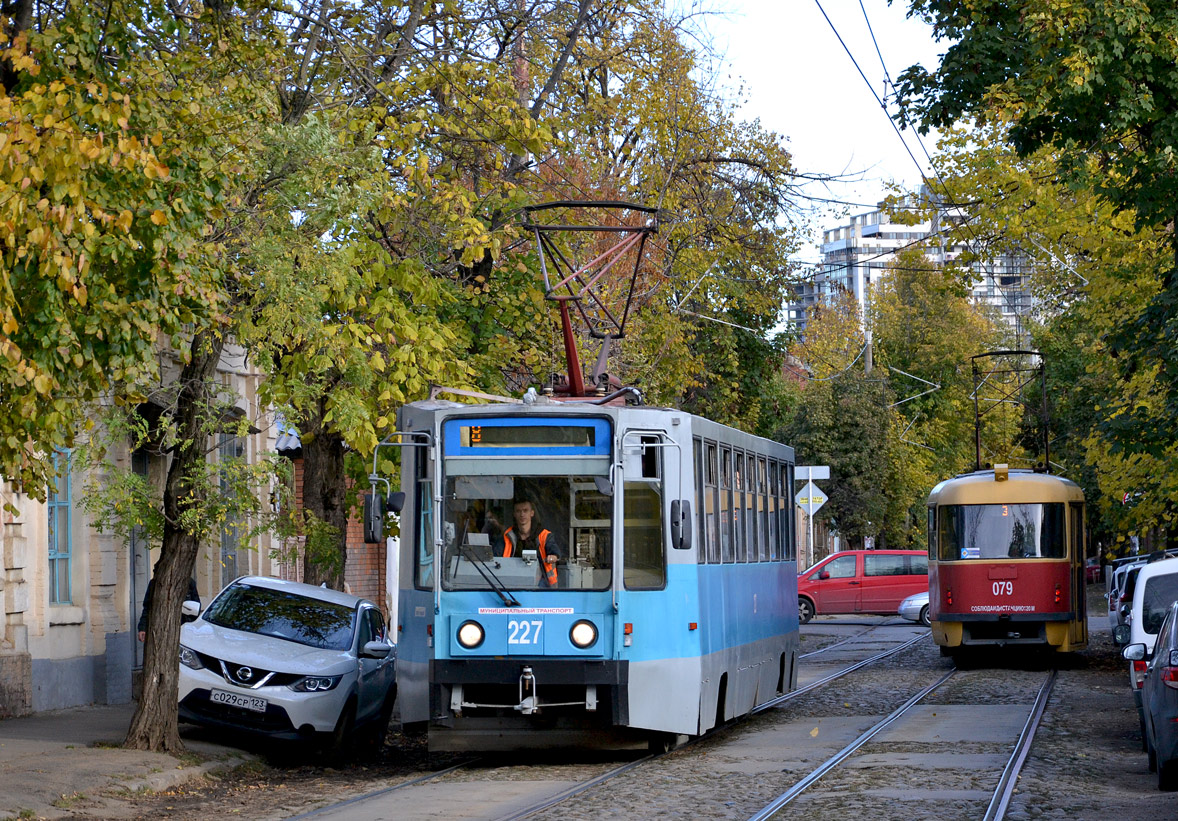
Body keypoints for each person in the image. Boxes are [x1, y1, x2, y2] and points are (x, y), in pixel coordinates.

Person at [501, 497, 561, 587]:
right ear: (514, 514)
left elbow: (553, 549)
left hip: (542, 584)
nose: (522, 514)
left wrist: (553, 556)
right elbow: (495, 554)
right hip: (512, 582)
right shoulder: (507, 535)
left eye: (525, 510)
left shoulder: (545, 535)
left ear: (532, 513)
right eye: (518, 511)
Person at [137, 568, 201, 642]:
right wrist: (142, 628)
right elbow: (147, 607)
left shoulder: (188, 583)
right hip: (160, 628)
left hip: (183, 628)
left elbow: (196, 607)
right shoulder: (155, 584)